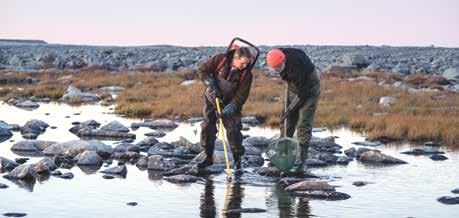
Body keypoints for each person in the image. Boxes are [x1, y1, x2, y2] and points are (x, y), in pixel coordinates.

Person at [197, 46, 253, 171]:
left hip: (230, 103)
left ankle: (237, 160)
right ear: (235, 58)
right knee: (208, 127)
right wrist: (209, 84)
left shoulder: (246, 74)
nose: (245, 66)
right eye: (243, 63)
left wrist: (232, 107)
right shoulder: (220, 59)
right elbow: (202, 70)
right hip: (212, 97)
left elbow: (241, 96)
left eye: (247, 63)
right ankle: (208, 157)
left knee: (234, 130)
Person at [266, 48, 321, 174]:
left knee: (303, 123)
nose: (277, 70)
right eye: (275, 68)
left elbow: (303, 92)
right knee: (286, 121)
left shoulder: (297, 67)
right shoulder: (278, 54)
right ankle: (282, 155)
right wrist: (288, 112)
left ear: (284, 60)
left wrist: (290, 109)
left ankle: (301, 161)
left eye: (279, 67)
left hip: (309, 87)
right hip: (293, 88)